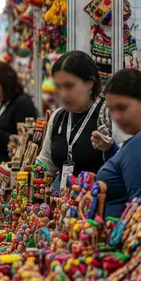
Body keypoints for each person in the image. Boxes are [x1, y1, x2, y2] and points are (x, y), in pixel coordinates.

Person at [91, 69, 141, 218]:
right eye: (111, 110)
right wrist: (111, 150)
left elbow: (140, 215)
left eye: (122, 108)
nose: (116, 117)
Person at [37, 51, 106, 188]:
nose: (63, 94)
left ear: (90, 83)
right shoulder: (58, 117)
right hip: (60, 201)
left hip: (94, 202)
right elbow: (45, 164)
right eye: (58, 87)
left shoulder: (108, 115)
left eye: (69, 86)